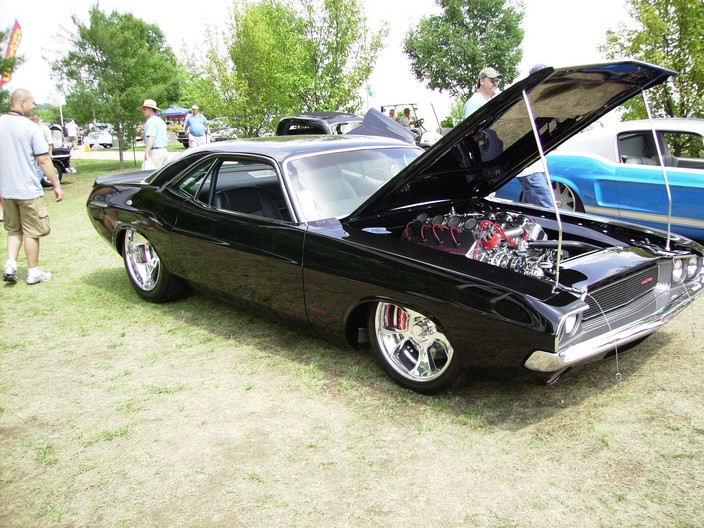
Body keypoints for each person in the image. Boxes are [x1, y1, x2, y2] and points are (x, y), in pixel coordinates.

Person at [0, 88, 64, 285]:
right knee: (32, 231)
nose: (34, 106)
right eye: (32, 102)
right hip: (27, 189)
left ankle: (10, 264)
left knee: (14, 230)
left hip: (6, 190)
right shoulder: (30, 128)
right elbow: (43, 159)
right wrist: (56, 184)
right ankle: (33, 271)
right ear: (22, 103)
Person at [516, 64, 554, 207]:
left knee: (534, 211)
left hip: (538, 166)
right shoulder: (526, 100)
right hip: (531, 170)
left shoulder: (538, 99)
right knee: (548, 210)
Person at [139, 98, 169, 169]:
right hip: (164, 151)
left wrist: (146, 152)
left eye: (145, 109)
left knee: (150, 173)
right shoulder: (160, 121)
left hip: (155, 152)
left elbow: (152, 137)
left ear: (150, 109)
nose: (143, 111)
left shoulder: (151, 121)